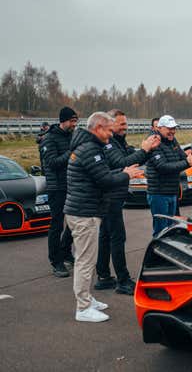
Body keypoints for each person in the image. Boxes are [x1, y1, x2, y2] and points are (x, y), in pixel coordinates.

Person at [64, 111, 143, 322]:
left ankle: (88, 299)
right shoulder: (90, 149)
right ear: (98, 128)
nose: (111, 134)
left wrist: (124, 171)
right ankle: (82, 307)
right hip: (84, 213)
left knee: (87, 259)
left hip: (85, 211)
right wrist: (127, 174)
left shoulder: (91, 146)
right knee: (85, 261)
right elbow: (105, 179)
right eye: (109, 130)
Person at [96, 109, 159, 295]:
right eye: (121, 124)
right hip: (110, 196)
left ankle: (104, 276)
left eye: (126, 123)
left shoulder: (119, 142)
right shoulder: (108, 144)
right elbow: (121, 162)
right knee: (117, 237)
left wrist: (147, 151)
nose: (125, 127)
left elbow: (133, 157)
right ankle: (122, 281)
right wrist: (145, 150)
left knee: (106, 236)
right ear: (110, 124)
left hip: (113, 195)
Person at [145, 115, 192, 236]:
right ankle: (157, 254)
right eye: (169, 128)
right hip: (158, 193)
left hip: (171, 192)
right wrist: (187, 162)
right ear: (160, 128)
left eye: (174, 128)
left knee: (171, 228)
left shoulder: (172, 140)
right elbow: (163, 167)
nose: (172, 131)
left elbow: (183, 157)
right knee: (161, 231)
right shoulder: (153, 142)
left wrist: (191, 158)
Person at [40, 106, 78, 278]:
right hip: (56, 188)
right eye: (72, 121)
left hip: (71, 185)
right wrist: (71, 153)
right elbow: (53, 163)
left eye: (75, 121)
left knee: (73, 222)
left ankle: (65, 251)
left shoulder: (72, 136)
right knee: (57, 225)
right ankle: (56, 261)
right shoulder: (48, 139)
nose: (74, 125)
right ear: (63, 121)